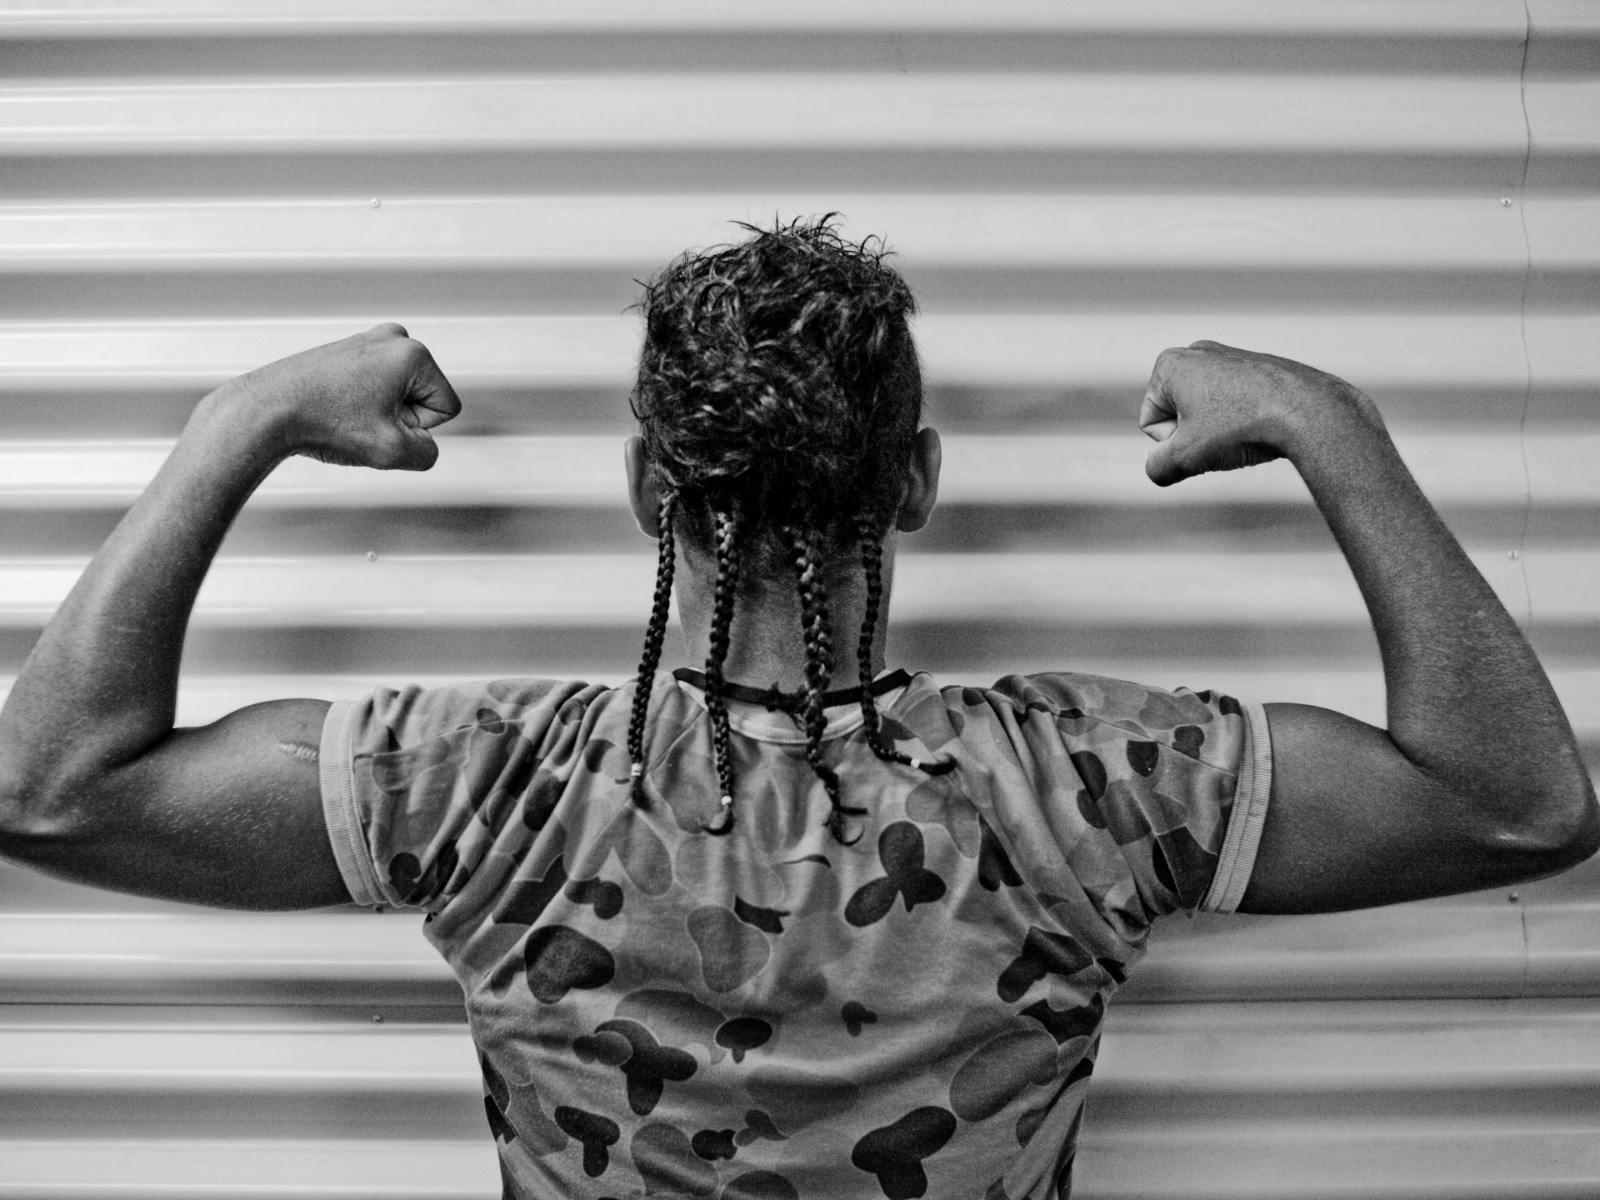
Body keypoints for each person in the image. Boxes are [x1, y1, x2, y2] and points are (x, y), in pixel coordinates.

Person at [0, 217, 1593, 1200]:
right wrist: (1333, 424)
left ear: (646, 489)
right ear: (914, 484)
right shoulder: (1086, 785)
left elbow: (51, 790)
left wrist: (241, 419)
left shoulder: (490, 785)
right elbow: (1516, 801)